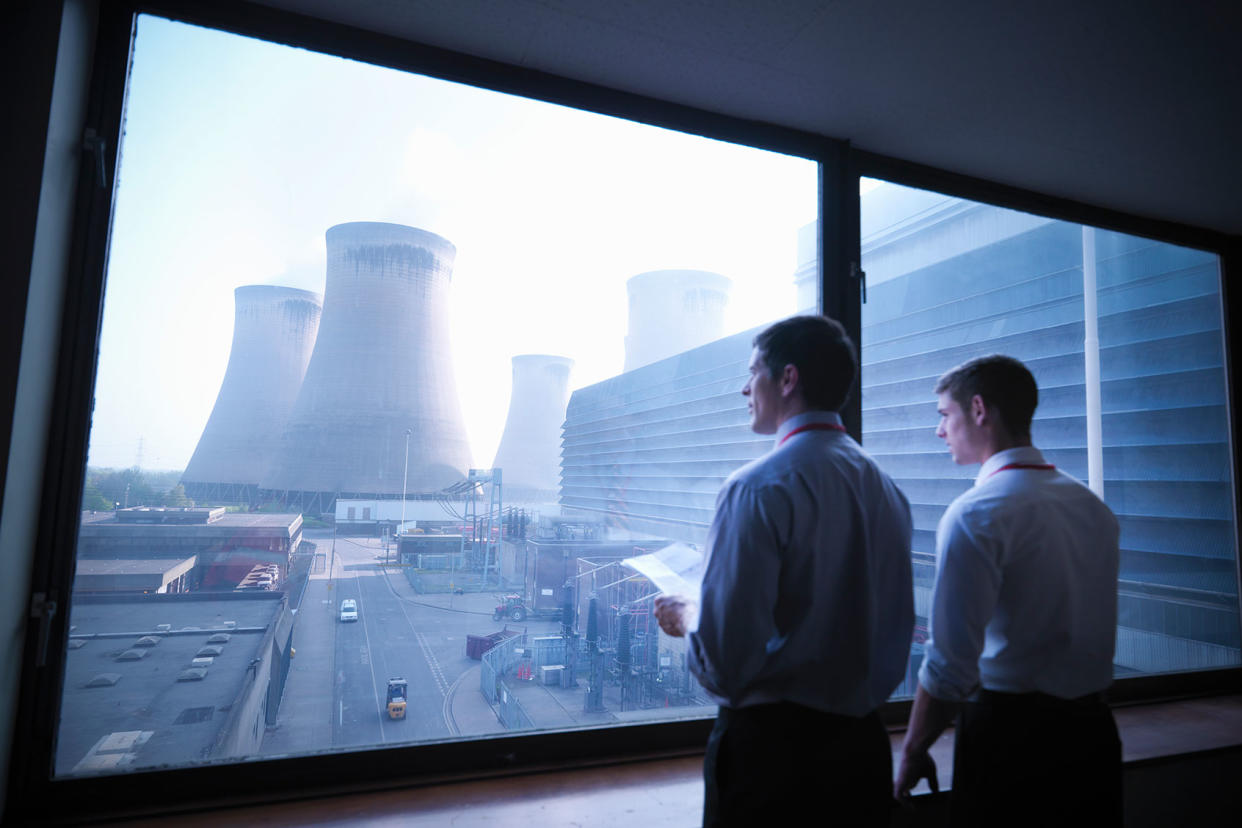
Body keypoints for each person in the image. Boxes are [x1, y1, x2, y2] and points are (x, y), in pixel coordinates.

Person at [654, 315, 913, 827]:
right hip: (861, 755)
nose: (744, 388)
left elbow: (726, 664)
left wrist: (688, 615)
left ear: (788, 379)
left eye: (753, 373)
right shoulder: (886, 490)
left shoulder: (756, 488)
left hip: (774, 764)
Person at [894, 354, 1122, 826]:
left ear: (978, 409)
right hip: (1094, 737)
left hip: (1011, 741)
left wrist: (914, 748)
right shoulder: (1090, 507)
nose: (940, 431)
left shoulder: (976, 513)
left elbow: (949, 663)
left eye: (944, 415)